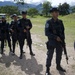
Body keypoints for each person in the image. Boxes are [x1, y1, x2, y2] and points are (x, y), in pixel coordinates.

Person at [45, 8, 66, 75]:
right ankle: (47, 69)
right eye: (55, 12)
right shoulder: (48, 22)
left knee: (59, 55)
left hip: (59, 42)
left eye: (58, 12)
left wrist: (63, 41)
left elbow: (63, 32)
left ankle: (58, 66)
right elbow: (46, 33)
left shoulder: (60, 22)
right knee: (50, 55)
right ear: (52, 13)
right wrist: (55, 37)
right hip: (52, 42)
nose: (57, 13)